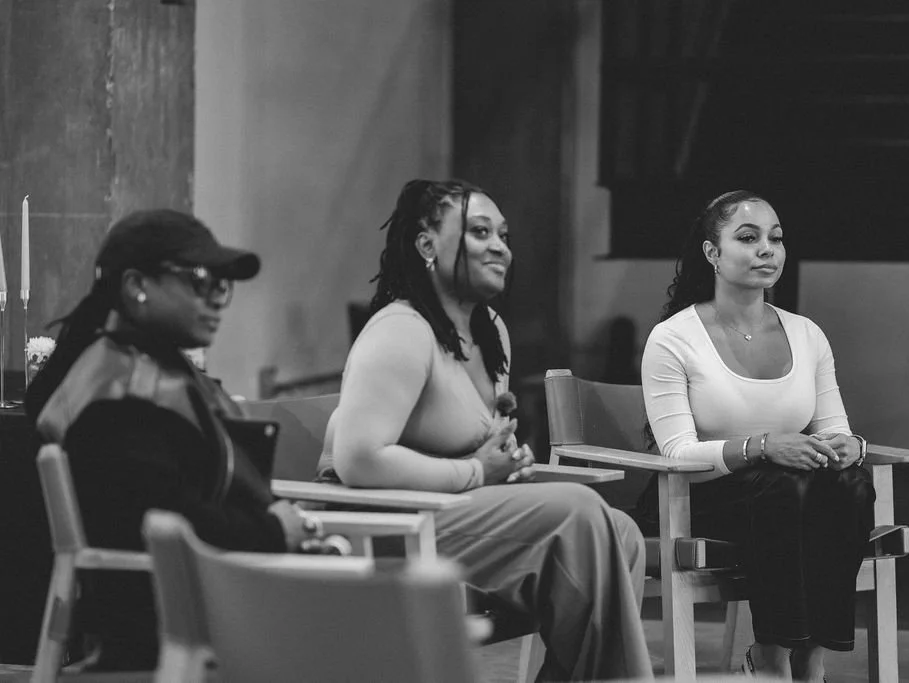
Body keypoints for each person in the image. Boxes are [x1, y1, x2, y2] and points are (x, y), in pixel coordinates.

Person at [316, 179, 653, 682]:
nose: (500, 246)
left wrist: (503, 462)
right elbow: (359, 459)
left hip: (444, 514)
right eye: (479, 232)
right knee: (578, 514)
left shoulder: (489, 329)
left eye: (504, 235)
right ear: (427, 244)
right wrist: (476, 470)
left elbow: (466, 442)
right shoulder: (401, 329)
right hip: (380, 524)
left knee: (621, 532)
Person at [25, 210, 321, 671]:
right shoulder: (118, 396)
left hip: (215, 597)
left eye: (223, 284)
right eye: (200, 279)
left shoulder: (144, 373)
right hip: (182, 621)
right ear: (136, 286)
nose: (218, 298)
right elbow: (166, 521)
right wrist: (275, 530)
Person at [639, 191, 875, 682]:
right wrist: (763, 446)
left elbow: (835, 429)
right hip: (698, 495)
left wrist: (850, 447)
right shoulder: (673, 338)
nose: (767, 248)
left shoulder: (806, 333)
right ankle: (771, 654)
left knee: (851, 483)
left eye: (776, 238)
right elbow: (678, 452)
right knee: (787, 489)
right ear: (712, 253)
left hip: (789, 495)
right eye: (748, 238)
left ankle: (812, 656)